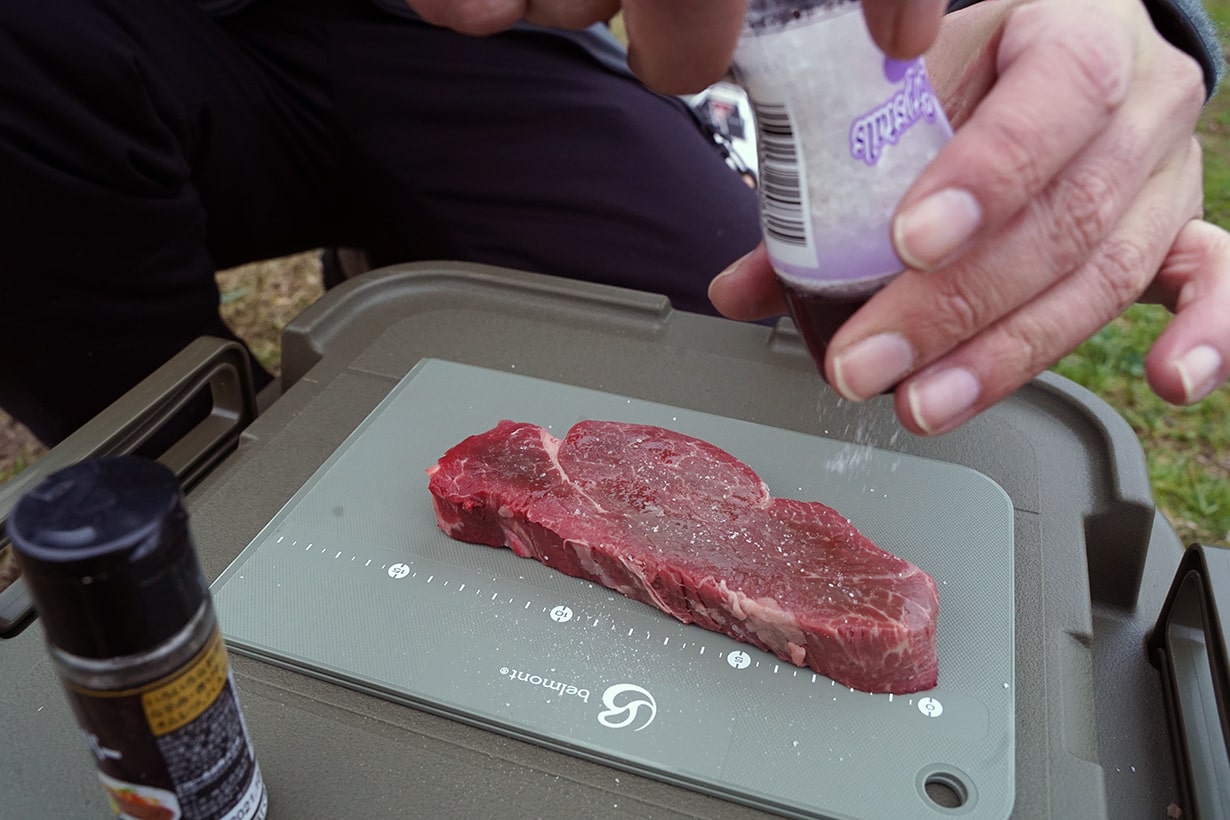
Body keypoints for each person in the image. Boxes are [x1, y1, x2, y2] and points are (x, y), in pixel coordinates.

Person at [1, 0, 1225, 447]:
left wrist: (1115, 26)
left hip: (490, 36)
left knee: (735, 323)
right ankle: (167, 497)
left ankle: (403, 256)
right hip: (95, 39)